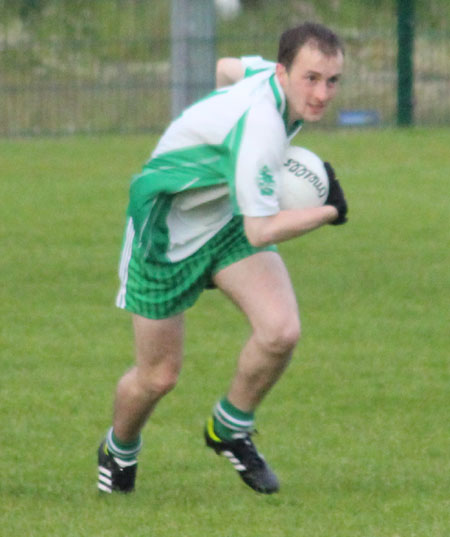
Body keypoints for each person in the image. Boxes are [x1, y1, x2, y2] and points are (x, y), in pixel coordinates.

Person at [97, 21, 348, 495]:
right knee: (158, 376)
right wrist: (329, 210)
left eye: (332, 81)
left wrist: (219, 158)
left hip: (224, 220)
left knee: (280, 331)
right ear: (283, 71)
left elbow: (225, 67)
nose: (321, 93)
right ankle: (119, 449)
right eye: (310, 78)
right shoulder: (260, 130)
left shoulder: (262, 75)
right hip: (165, 234)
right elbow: (262, 228)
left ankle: (229, 428)